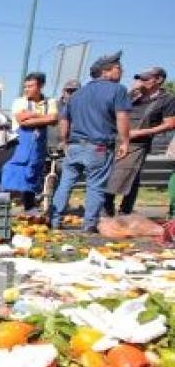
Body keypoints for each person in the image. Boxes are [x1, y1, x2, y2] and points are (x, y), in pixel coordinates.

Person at [50, 51, 132, 232]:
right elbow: (122, 117)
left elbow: (64, 120)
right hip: (98, 147)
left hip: (74, 146)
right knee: (95, 186)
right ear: (105, 72)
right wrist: (125, 141)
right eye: (118, 68)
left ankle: (54, 220)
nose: (122, 71)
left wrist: (64, 141)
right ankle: (89, 225)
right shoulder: (118, 90)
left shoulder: (77, 94)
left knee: (65, 183)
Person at [104, 66, 175, 216]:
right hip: (118, 140)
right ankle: (111, 209)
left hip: (138, 143)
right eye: (139, 78)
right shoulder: (133, 96)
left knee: (124, 175)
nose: (141, 81)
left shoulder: (167, 99)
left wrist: (141, 132)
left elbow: (170, 124)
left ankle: (123, 211)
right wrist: (130, 92)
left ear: (159, 80)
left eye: (145, 78)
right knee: (117, 175)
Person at [1, 72, 59, 211]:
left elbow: (53, 119)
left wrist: (32, 114)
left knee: (32, 174)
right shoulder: (19, 102)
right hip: (20, 145)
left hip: (37, 146)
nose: (26, 89)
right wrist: (44, 117)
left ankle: (29, 207)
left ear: (41, 86)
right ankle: (3, 207)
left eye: (30, 86)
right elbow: (22, 122)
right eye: (25, 86)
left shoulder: (50, 102)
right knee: (11, 175)